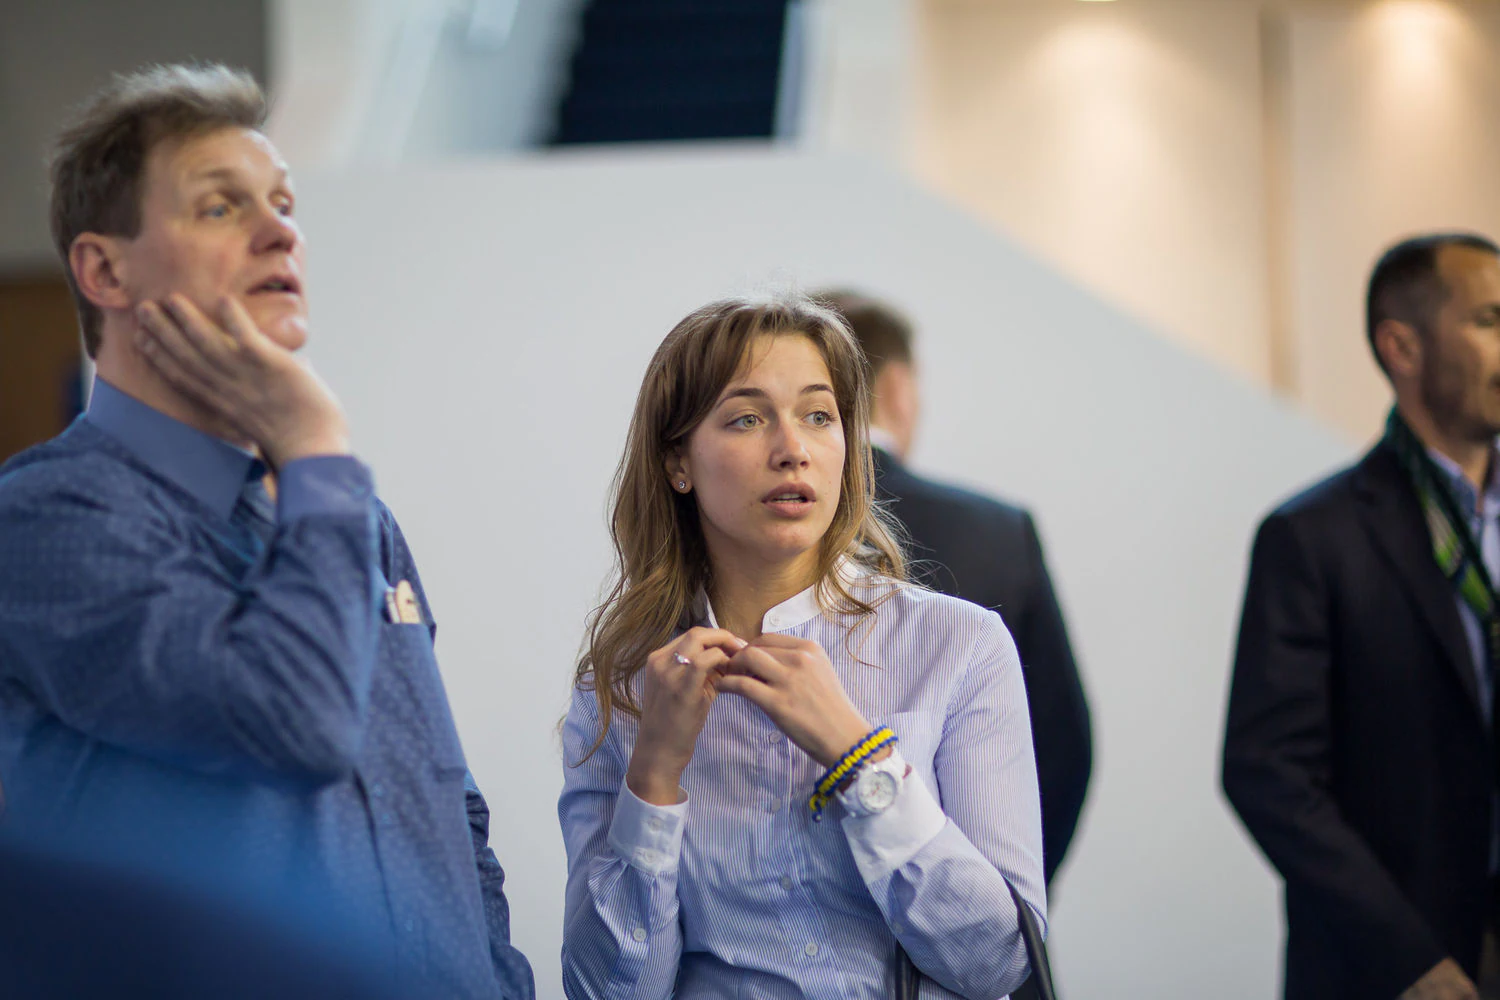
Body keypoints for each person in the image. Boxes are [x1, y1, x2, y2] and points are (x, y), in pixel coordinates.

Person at [0, 63, 532, 999]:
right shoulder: (46, 517)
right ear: (105, 270)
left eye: (282, 203)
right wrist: (311, 440)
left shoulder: (354, 517)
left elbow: (445, 807)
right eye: (220, 206)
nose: (279, 230)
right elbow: (293, 725)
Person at [558, 294, 1046, 999]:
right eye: (747, 419)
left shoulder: (961, 647)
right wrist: (655, 774)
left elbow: (998, 963)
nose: (793, 449)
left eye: (819, 416)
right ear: (677, 462)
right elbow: (609, 991)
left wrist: (860, 758)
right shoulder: (624, 687)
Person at [1223, 233, 1500, 1000]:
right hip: (1399, 965)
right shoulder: (1313, 536)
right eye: (1488, 320)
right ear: (1401, 347)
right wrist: (1406, 957)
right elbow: (1268, 773)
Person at [819, 290, 1092, 887]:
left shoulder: (749, 525)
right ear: (898, 389)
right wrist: (1006, 900)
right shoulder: (1000, 531)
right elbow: (1061, 747)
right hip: (969, 906)